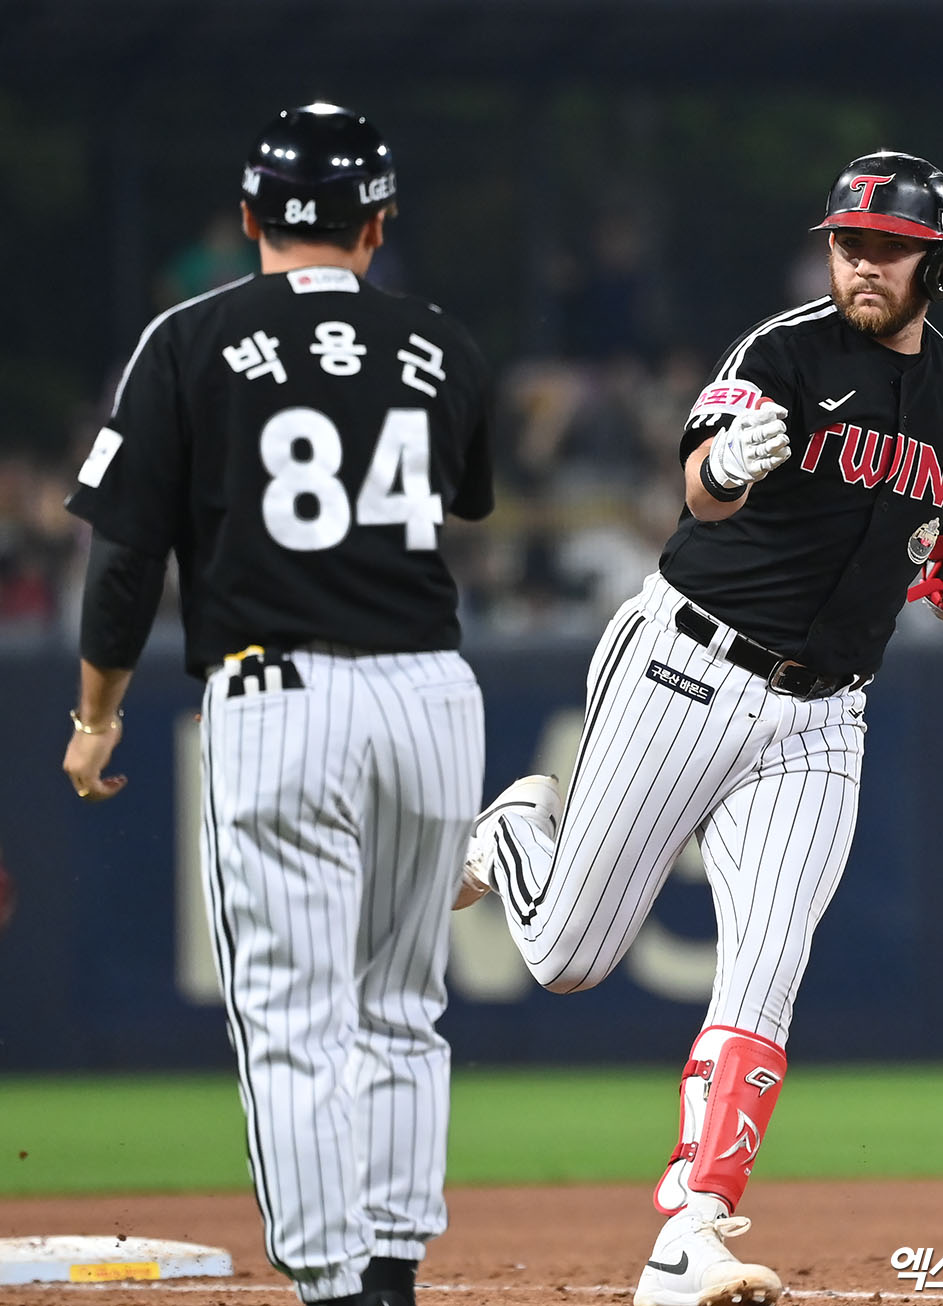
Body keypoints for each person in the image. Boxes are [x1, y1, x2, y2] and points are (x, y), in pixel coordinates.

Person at [453, 151, 943, 1306]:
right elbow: (701, 480)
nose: (860, 260)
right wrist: (722, 466)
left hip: (827, 711)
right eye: (847, 240)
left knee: (767, 966)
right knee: (569, 957)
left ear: (939, 262)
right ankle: (518, 833)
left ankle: (695, 1226)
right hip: (689, 665)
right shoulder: (782, 349)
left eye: (887, 246)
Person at [62, 103, 494, 1306]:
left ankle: (337, 1288)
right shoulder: (441, 341)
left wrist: (98, 713)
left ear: (251, 217)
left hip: (280, 693)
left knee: (296, 1019)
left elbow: (125, 555)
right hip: (428, 696)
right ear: (381, 221)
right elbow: (467, 497)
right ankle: (394, 1271)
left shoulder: (188, 338)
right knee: (403, 1002)